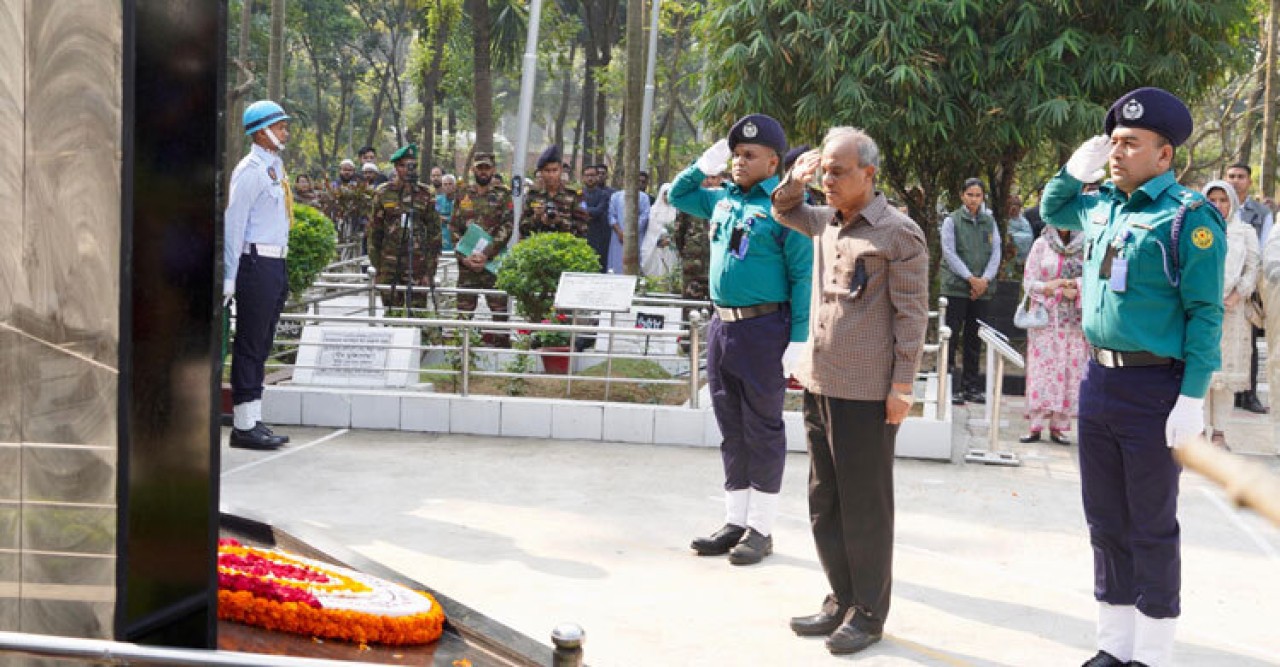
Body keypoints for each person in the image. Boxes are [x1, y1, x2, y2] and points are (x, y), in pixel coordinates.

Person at [1041, 87, 1225, 667]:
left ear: (1165, 155)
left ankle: (1153, 651)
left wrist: (1191, 399)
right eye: (1114, 142)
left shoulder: (1189, 218)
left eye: (1131, 143)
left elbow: (1204, 314)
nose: (1117, 153)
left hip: (1155, 389)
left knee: (1150, 523)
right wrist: (1073, 171)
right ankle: (1113, 645)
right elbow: (1052, 209)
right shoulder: (1100, 205)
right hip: (1099, 382)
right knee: (1105, 519)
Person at [773, 128, 929, 656]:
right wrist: (796, 181)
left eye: (839, 171)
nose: (829, 181)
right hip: (820, 380)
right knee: (824, 499)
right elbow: (784, 212)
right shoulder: (825, 222)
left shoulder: (897, 233)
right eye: (826, 171)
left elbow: (912, 318)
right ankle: (839, 597)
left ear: (870, 174)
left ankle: (868, 611)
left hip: (866, 392)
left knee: (865, 504)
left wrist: (902, 387)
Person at [669, 114, 812, 566]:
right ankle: (735, 521)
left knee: (763, 428)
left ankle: (762, 528)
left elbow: (804, 276)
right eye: (734, 155)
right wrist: (702, 163)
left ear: (774, 162)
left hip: (765, 329)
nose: (738, 162)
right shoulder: (722, 201)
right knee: (731, 425)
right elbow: (678, 195)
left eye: (749, 155)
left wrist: (799, 339)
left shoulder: (786, 209)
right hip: (722, 327)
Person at [223, 100, 294, 450]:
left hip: (274, 263)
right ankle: (243, 425)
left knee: (263, 342)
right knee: (250, 343)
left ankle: (254, 417)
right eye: (279, 126)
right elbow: (234, 224)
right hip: (254, 264)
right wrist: (229, 276)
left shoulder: (274, 167)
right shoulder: (250, 170)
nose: (285, 132)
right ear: (262, 132)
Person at [1201, 180, 1259, 451]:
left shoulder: (1244, 231)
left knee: (1224, 378)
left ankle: (1219, 433)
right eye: (1213, 199)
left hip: (1233, 313)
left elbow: (1252, 267)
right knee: (1200, 372)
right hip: (1200, 310)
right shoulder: (1198, 228)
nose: (1219, 205)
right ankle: (1198, 431)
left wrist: (1235, 297)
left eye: (1224, 200)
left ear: (1233, 202)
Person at [1018, 224, 1087, 445]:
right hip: (1046, 319)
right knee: (1043, 369)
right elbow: (1029, 281)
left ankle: (1059, 426)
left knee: (1070, 369)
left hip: (1074, 320)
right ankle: (1036, 424)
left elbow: (1094, 278)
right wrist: (1056, 288)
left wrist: (1073, 287)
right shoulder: (1041, 245)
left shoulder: (1085, 245)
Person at [939, 177, 1002, 405]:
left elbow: (996, 252)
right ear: (962, 196)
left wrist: (984, 280)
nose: (974, 199)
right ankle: (949, 387)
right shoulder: (951, 221)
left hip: (981, 290)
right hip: (956, 288)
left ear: (983, 197)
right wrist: (970, 279)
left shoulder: (989, 222)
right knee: (951, 337)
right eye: (970, 195)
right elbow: (949, 252)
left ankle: (971, 387)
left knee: (975, 340)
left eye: (978, 195)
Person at [367, 143, 442, 312]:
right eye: (402, 165)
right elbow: (374, 232)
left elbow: (434, 234)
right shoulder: (383, 193)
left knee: (418, 313)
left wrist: (430, 270)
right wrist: (378, 267)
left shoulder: (426, 194)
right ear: (396, 167)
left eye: (411, 165)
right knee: (392, 312)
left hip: (417, 265)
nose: (407, 169)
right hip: (389, 264)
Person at [450, 153, 514, 344]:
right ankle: (461, 355)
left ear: (493, 170)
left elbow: (507, 226)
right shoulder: (462, 194)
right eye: (480, 168)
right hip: (467, 265)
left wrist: (486, 254)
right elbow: (453, 227)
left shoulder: (503, 194)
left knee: (500, 312)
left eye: (487, 168)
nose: (483, 171)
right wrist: (464, 257)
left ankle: (502, 353)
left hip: (492, 264)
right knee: (464, 312)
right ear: (473, 170)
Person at [1224, 163, 1270, 414]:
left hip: (1248, 288)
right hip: (1218, 289)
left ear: (1249, 182)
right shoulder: (1213, 209)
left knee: (1247, 343)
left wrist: (1247, 286)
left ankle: (1248, 395)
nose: (1235, 180)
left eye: (1240, 177)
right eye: (1231, 176)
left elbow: (1263, 251)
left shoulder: (1261, 213)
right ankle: (1223, 393)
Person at [672, 172, 720, 326]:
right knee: (690, 310)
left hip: (718, 269)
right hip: (693, 267)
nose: (710, 181)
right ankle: (686, 346)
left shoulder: (729, 202)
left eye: (714, 177)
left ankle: (712, 349)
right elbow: (679, 233)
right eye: (707, 178)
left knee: (718, 314)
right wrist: (688, 255)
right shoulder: (690, 203)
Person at [521, 146, 589, 238]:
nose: (551, 175)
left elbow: (583, 229)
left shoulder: (573, 195)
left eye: (554, 170)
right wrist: (536, 217)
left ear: (560, 170)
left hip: (566, 248)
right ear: (541, 172)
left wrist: (559, 221)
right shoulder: (533, 195)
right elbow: (522, 229)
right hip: (538, 247)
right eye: (547, 171)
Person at [606, 175, 651, 274]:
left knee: (635, 264)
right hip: (618, 237)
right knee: (616, 264)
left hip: (636, 237)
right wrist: (620, 232)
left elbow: (644, 217)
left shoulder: (643, 197)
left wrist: (630, 233)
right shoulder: (615, 196)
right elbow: (611, 216)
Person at [582, 164, 615, 270]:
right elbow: (578, 211)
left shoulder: (604, 195)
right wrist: (587, 212)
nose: (590, 178)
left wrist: (585, 211)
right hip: (582, 233)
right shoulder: (578, 194)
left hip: (600, 235)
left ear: (597, 177)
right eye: (587, 175)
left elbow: (599, 211)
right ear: (583, 177)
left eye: (592, 175)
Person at [1007, 194, 1036, 265]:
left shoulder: (1024, 222)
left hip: (1019, 258)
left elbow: (1028, 237)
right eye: (1011, 204)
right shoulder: (1002, 219)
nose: (1014, 207)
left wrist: (1012, 237)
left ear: (1019, 208)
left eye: (1016, 205)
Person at [437, 174, 457, 252]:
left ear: (455, 186)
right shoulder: (437, 200)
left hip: (455, 237)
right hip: (441, 236)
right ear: (442, 186)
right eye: (445, 184)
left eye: (450, 184)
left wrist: (445, 218)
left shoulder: (460, 200)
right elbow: (435, 216)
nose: (448, 186)